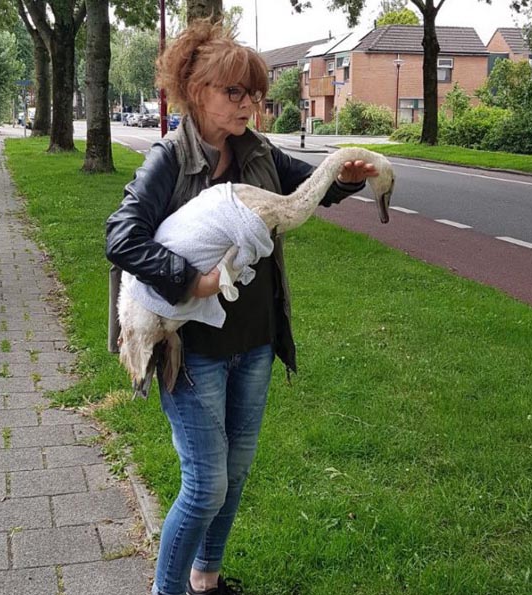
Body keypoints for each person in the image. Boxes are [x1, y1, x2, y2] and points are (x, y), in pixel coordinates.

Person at [105, 19, 379, 595]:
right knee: (205, 485)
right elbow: (122, 238)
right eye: (234, 92)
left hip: (254, 341)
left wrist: (348, 178)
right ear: (196, 90)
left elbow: (309, 189)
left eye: (253, 93)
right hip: (194, 351)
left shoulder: (258, 151)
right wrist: (192, 281)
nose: (249, 104)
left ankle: (205, 580)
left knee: (234, 473)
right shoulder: (169, 160)